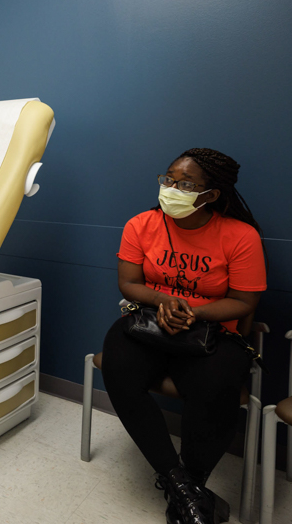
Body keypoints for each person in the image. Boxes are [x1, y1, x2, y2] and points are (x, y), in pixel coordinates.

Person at [101, 148, 266, 524]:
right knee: (118, 365)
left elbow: (243, 301)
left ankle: (190, 484)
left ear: (211, 195)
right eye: (169, 179)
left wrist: (191, 312)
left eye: (186, 184)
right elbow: (129, 283)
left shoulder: (240, 236)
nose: (172, 188)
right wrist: (164, 301)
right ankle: (181, 486)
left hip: (212, 334)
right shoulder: (140, 225)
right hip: (151, 323)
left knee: (217, 386)